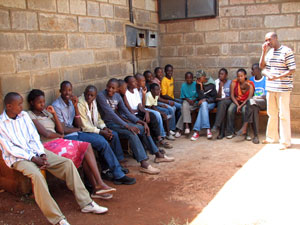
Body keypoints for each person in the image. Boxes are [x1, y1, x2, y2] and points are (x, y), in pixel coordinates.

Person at [0, 92, 107, 225]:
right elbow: (10, 148)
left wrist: (42, 154)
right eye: (19, 104)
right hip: (18, 159)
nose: (22, 107)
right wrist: (33, 158)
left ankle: (86, 203)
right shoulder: (1, 124)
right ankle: (57, 218)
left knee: (67, 164)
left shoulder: (24, 116)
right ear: (9, 106)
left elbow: (34, 137)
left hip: (37, 152)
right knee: (37, 175)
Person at [27, 89, 116, 199]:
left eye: (43, 102)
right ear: (31, 102)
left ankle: (98, 184)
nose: (42, 104)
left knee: (86, 146)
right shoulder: (30, 115)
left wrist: (54, 114)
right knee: (82, 152)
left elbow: (61, 130)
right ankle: (95, 187)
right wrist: (60, 136)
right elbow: (45, 133)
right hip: (47, 145)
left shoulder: (46, 112)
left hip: (59, 141)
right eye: (39, 102)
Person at [52, 81, 135, 185]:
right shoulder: (58, 105)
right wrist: (99, 131)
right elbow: (71, 128)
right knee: (102, 141)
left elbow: (86, 122)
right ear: (60, 91)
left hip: (79, 132)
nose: (67, 92)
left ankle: (112, 169)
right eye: (64, 90)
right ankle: (116, 174)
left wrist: (104, 127)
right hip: (72, 135)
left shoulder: (72, 103)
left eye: (69, 90)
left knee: (110, 136)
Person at [97, 78, 174, 175]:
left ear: (117, 89)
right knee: (132, 132)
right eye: (108, 87)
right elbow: (110, 114)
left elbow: (126, 112)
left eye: (113, 88)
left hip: (119, 123)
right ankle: (144, 164)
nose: (110, 89)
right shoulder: (101, 96)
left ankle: (158, 154)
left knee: (142, 129)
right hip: (108, 124)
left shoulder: (117, 96)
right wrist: (127, 126)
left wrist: (141, 122)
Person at [77, 85, 135, 184]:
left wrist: (104, 128)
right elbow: (84, 126)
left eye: (92, 95)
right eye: (87, 95)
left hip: (93, 129)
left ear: (95, 96)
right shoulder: (80, 103)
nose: (89, 97)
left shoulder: (93, 102)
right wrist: (101, 132)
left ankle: (114, 166)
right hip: (84, 131)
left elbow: (98, 118)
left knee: (113, 135)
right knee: (103, 141)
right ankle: (118, 175)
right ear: (84, 93)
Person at [259, 32, 296, 150]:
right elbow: (262, 67)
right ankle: (272, 138)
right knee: (272, 114)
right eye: (266, 40)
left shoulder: (286, 51)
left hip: (283, 88)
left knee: (283, 114)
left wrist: (277, 77)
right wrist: (263, 51)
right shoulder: (269, 52)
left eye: (269, 39)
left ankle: (285, 142)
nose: (267, 42)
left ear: (276, 38)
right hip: (271, 88)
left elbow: (292, 69)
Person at [123, 76, 172, 146]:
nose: (136, 82)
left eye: (135, 81)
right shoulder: (126, 93)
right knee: (146, 121)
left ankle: (159, 139)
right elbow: (130, 111)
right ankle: (151, 143)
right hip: (132, 115)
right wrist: (142, 110)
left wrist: (146, 112)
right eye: (133, 82)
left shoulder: (135, 91)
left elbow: (140, 106)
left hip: (138, 112)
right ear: (127, 84)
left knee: (152, 116)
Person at [135, 73, 176, 141]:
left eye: (144, 81)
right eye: (142, 81)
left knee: (169, 110)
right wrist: (159, 111)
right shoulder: (144, 93)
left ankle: (169, 129)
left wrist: (160, 105)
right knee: (158, 114)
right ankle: (162, 134)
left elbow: (154, 103)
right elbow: (148, 106)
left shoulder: (143, 90)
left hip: (148, 107)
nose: (144, 82)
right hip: (145, 108)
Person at [236, 63, 267, 144]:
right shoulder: (251, 80)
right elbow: (248, 93)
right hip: (253, 103)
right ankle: (256, 136)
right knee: (254, 109)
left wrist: (256, 98)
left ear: (258, 70)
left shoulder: (265, 80)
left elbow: (266, 96)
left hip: (263, 102)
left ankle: (244, 126)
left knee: (251, 102)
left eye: (253, 69)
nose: (252, 71)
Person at [226, 69, 254, 139]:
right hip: (236, 101)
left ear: (245, 76)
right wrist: (238, 105)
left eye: (241, 76)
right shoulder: (234, 83)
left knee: (245, 111)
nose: (239, 78)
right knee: (230, 110)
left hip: (246, 102)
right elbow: (232, 96)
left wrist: (241, 106)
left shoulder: (250, 84)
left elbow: (249, 98)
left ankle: (247, 133)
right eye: (238, 76)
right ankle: (230, 132)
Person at [190, 70, 217, 141]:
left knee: (203, 105)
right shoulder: (198, 84)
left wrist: (206, 100)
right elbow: (201, 98)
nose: (198, 79)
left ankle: (196, 132)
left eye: (199, 78)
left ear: (204, 77)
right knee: (203, 105)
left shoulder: (211, 84)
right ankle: (208, 129)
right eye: (197, 78)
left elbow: (214, 98)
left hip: (211, 103)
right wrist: (201, 87)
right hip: (203, 104)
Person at [211, 68, 232, 139]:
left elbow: (231, 97)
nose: (220, 75)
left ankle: (217, 126)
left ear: (226, 75)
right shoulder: (216, 82)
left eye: (222, 74)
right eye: (219, 74)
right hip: (220, 103)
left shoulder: (230, 82)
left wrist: (222, 99)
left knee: (222, 104)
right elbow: (217, 97)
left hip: (228, 101)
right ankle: (221, 132)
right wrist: (220, 87)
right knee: (221, 106)